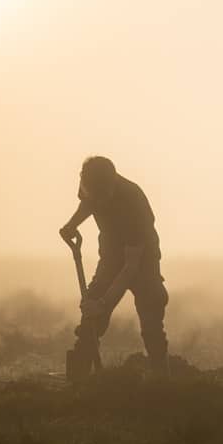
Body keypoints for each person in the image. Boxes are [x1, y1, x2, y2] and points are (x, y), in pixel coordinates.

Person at [59, 156, 169, 377]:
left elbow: (130, 269)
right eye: (93, 196)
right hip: (110, 255)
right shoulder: (89, 184)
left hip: (142, 261)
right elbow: (87, 203)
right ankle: (79, 378)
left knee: (151, 318)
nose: (98, 203)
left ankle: (160, 378)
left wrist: (103, 303)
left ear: (113, 184)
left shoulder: (133, 204)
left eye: (103, 197)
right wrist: (72, 225)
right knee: (91, 319)